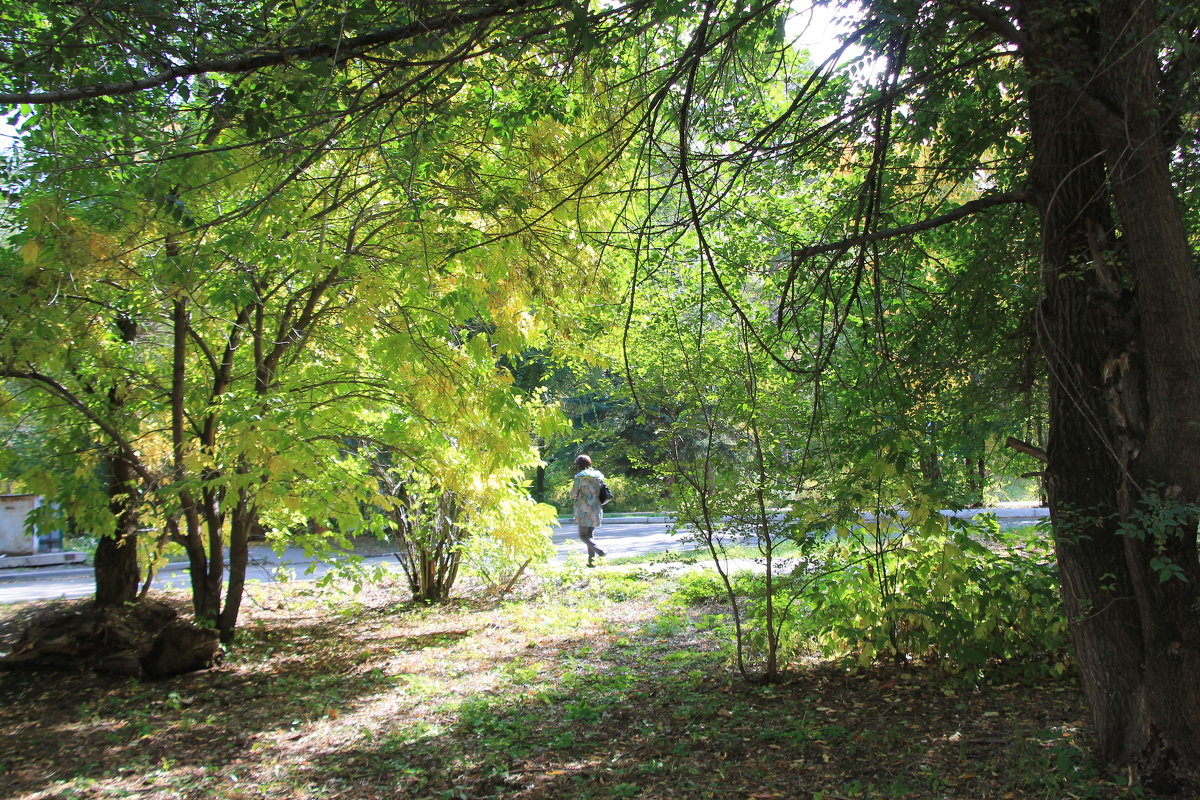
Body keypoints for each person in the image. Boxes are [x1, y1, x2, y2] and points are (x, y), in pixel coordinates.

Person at [569, 454, 608, 567]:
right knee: (590, 534)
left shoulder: (580, 477)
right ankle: (591, 562)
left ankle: (600, 550)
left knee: (583, 536)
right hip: (596, 508)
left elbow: (573, 494)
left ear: (578, 466)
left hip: (583, 510)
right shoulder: (599, 476)